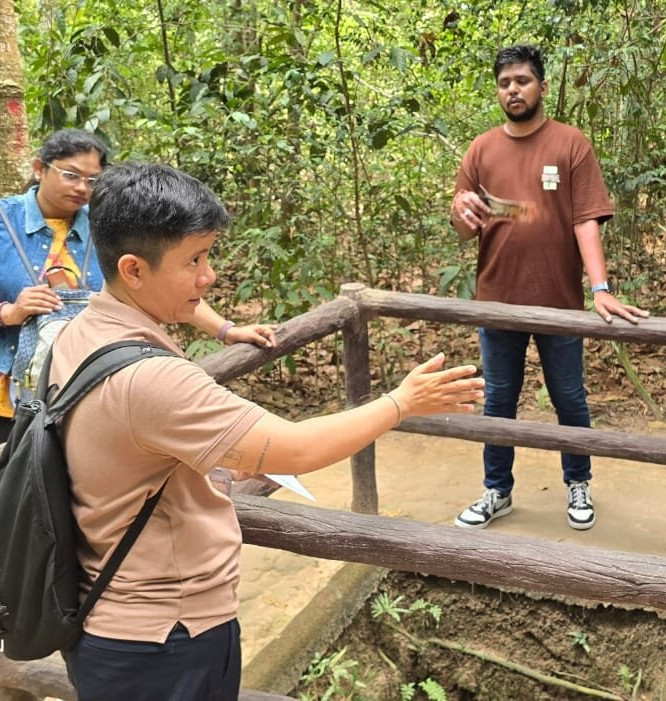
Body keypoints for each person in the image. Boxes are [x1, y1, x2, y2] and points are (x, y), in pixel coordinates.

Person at [51, 162, 484, 700]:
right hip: (166, 637)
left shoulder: (79, 334)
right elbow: (294, 448)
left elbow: (122, 450)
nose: (208, 277)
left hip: (108, 624)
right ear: (134, 270)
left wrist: (202, 455)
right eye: (194, 260)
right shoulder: (152, 378)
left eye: (207, 255)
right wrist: (401, 402)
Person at [449, 44, 647, 531]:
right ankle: (497, 490)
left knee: (569, 398)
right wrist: (460, 213)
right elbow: (465, 226)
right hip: (497, 301)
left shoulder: (570, 144)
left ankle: (577, 483)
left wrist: (600, 287)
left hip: (559, 301)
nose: (513, 90)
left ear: (541, 86)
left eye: (522, 80)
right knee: (498, 400)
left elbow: (585, 221)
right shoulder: (481, 149)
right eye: (504, 83)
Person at [0, 129, 276, 443]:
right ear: (39, 168)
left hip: (86, 387)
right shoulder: (4, 221)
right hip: (12, 398)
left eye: (93, 180)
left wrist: (226, 330)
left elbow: (161, 284)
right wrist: (10, 312)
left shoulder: (106, 224)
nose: (81, 188)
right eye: (70, 175)